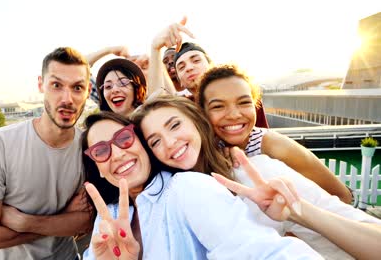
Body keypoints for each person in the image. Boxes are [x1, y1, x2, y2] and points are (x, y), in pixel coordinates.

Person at [131, 95, 381, 259]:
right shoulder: (170, 204)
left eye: (175, 125)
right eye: (155, 141)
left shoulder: (260, 172)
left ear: (198, 123)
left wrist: (297, 211)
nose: (170, 142)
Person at [80, 111, 321, 259]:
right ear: (98, 169)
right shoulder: (107, 216)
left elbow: (255, 249)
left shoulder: (186, 188)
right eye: (101, 150)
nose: (118, 153)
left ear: (143, 144)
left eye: (124, 138)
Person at [0, 47, 93, 259]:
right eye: (56, 85)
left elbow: (86, 221)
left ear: (87, 91)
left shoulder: (88, 148)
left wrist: (25, 222)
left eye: (77, 87)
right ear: (41, 84)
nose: (67, 98)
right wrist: (61, 222)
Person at [197, 64, 353, 203]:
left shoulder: (273, 146)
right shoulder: (209, 147)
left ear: (255, 104)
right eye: (218, 106)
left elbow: (342, 196)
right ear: (203, 112)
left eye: (244, 102)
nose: (234, 115)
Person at [148, 17, 269, 128]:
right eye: (181, 67)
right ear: (181, 82)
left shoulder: (243, 95)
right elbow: (157, 102)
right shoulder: (186, 107)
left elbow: (264, 138)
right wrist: (155, 49)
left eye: (196, 60)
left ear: (211, 66)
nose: (189, 68)